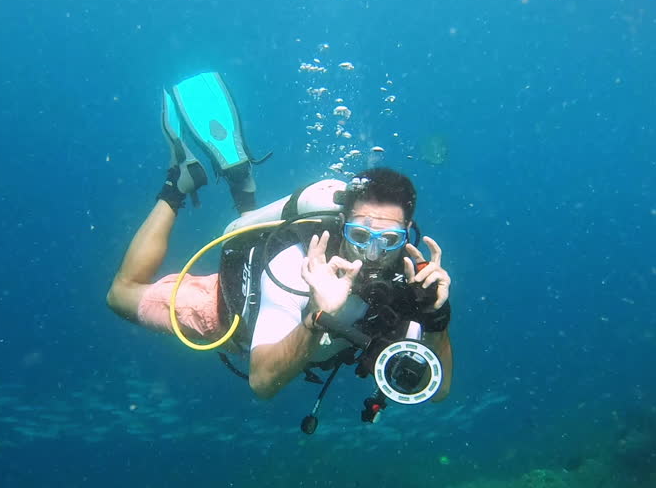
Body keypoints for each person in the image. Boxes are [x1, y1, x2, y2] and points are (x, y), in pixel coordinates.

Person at [106, 72, 453, 405]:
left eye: (389, 239)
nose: (373, 253)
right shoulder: (296, 266)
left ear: (407, 233)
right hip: (223, 310)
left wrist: (437, 319)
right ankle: (178, 184)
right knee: (121, 294)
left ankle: (241, 183)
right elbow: (262, 383)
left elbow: (438, 390)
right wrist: (317, 315)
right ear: (342, 224)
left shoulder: (412, 281)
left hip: (292, 320)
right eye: (360, 235)